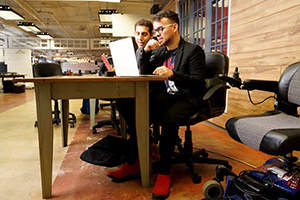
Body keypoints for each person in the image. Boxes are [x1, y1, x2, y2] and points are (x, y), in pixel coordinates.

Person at [107, 10, 206, 199]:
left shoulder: (193, 50)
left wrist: (173, 74)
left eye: (161, 29)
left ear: (174, 27)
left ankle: (164, 172)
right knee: (130, 106)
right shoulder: (160, 51)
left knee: (169, 119)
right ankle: (134, 161)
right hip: (166, 96)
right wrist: (145, 52)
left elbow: (199, 83)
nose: (157, 33)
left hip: (187, 98)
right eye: (156, 30)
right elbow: (143, 74)